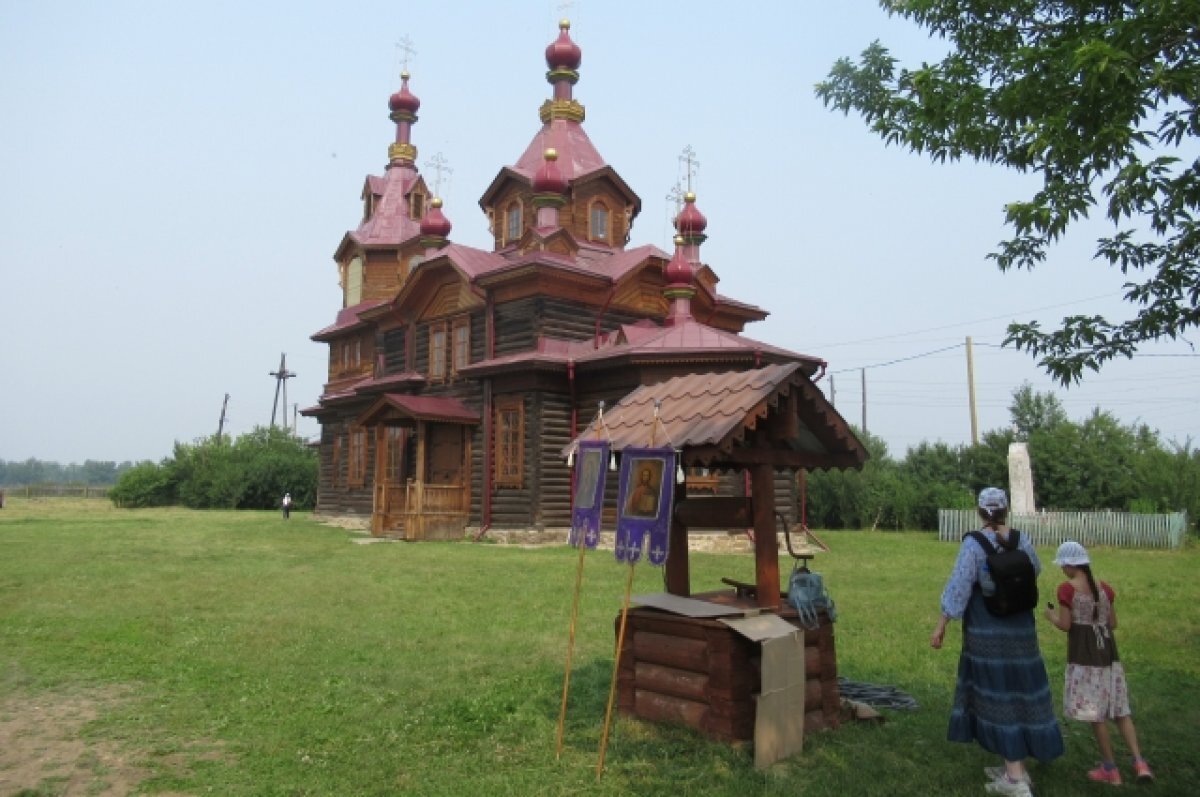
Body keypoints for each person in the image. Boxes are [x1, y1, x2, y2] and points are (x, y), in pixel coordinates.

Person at [930, 487, 1063, 796]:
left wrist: (941, 625)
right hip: (1021, 630)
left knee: (998, 695)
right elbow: (1036, 569)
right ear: (1005, 511)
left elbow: (959, 587)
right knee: (1021, 690)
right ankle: (1015, 763)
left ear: (980, 511)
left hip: (988, 631)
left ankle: (1015, 778)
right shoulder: (1021, 539)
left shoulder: (974, 544)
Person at [1045, 540, 1154, 785]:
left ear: (1072, 565)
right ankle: (1140, 763)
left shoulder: (1067, 590)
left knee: (1097, 714)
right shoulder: (1104, 588)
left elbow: (1066, 625)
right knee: (1120, 710)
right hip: (1108, 654)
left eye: (1064, 565)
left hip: (1085, 656)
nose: (1063, 570)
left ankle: (1110, 768)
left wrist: (1050, 615)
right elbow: (1112, 623)